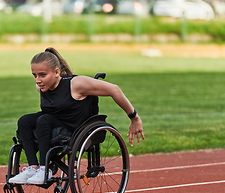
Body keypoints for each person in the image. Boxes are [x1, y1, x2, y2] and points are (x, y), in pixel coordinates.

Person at [8, 47, 144, 185]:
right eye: (35, 75)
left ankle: (44, 170)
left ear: (56, 72)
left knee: (43, 120)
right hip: (52, 123)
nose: (37, 80)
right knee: (24, 121)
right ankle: (33, 168)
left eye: (42, 75)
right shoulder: (42, 87)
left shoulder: (76, 84)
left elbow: (114, 89)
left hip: (74, 128)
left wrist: (134, 118)